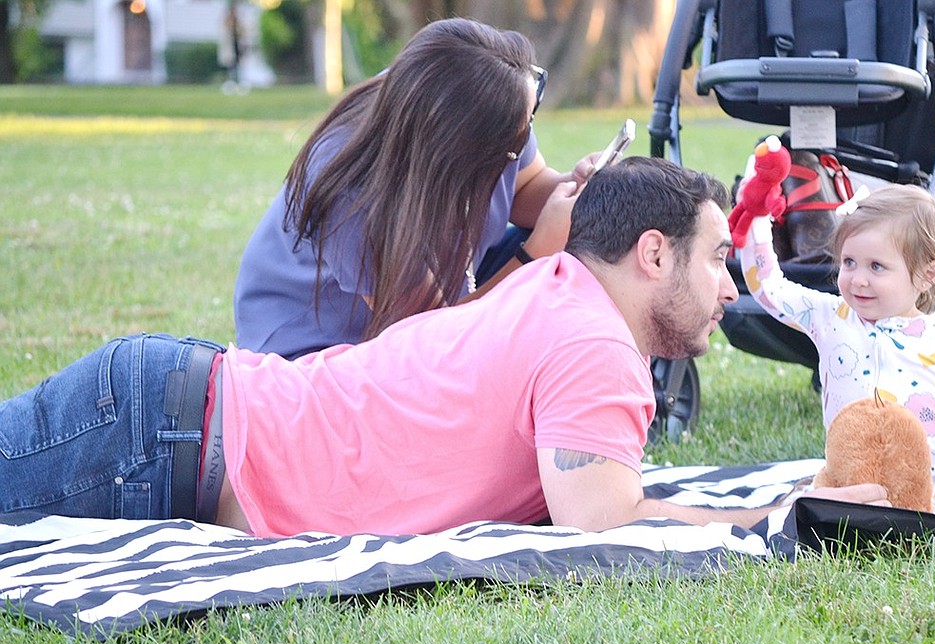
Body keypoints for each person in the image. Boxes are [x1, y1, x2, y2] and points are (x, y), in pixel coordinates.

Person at [0, 157, 889, 538]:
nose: (730, 290)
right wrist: (777, 519)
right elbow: (604, 520)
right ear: (652, 255)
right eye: (716, 261)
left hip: (172, 414)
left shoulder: (553, 290)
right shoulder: (593, 345)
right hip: (163, 444)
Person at [233, 17, 599, 359]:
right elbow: (439, 344)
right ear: (455, 152)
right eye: (512, 141)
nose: (522, 140)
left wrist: (575, 189)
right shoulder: (354, 195)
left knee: (583, 256)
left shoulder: (487, 102)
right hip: (319, 357)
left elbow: (527, 186)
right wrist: (533, 255)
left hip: (442, 305)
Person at [736, 182, 935, 512]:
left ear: (927, 275)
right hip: (850, 478)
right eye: (849, 262)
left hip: (931, 478)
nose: (857, 279)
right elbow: (768, 287)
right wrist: (756, 218)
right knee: (808, 509)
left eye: (876, 267)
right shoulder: (831, 317)